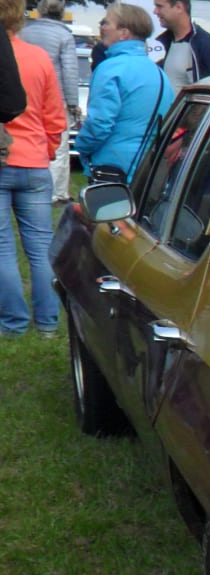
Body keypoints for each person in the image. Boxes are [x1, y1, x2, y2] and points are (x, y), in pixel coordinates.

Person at [0, 0, 64, 335]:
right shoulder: (39, 57)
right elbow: (54, 116)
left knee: (2, 248)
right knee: (40, 246)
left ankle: (13, 322)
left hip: (3, 157)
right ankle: (49, 321)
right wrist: (48, 150)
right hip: (35, 160)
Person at [74, 3, 173, 183]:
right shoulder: (159, 73)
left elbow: (100, 123)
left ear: (124, 33)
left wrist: (81, 146)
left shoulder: (110, 69)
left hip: (111, 167)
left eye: (107, 23)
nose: (102, 27)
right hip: (148, 169)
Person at [18, 0, 76, 204]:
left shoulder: (24, 32)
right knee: (59, 146)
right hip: (55, 96)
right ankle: (56, 191)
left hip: (27, 95)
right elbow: (69, 71)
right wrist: (73, 102)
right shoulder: (65, 35)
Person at [153, 0, 210, 90]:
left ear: (178, 7)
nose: (155, 11)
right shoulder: (167, 43)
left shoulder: (208, 45)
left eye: (159, 6)